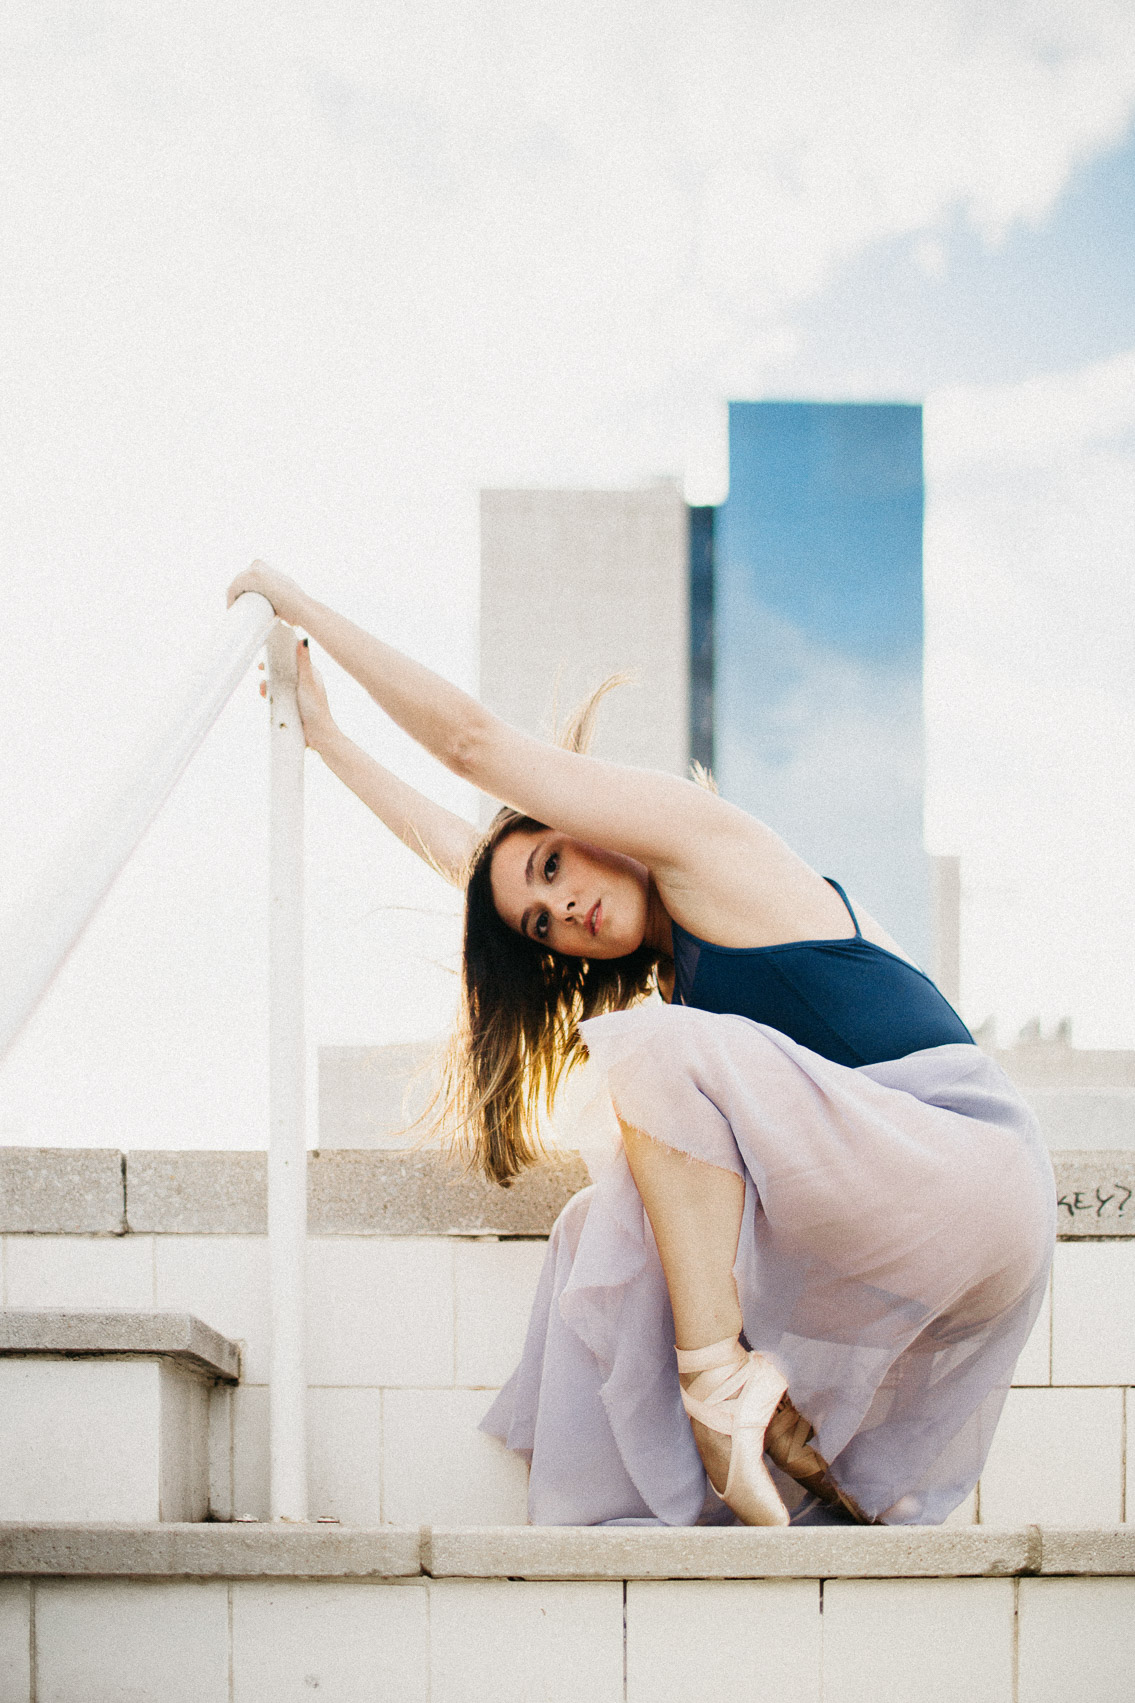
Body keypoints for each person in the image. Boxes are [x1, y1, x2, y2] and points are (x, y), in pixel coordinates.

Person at [227, 562, 1056, 1528]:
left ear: (581, 820)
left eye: (551, 864)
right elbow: (470, 863)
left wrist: (294, 600)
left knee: (650, 1053)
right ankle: (755, 1447)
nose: (562, 908)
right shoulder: (674, 967)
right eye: (541, 926)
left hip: (967, 1163)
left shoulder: (701, 845)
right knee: (602, 1222)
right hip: (916, 1210)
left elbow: (468, 743)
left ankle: (722, 1393)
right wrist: (325, 741)